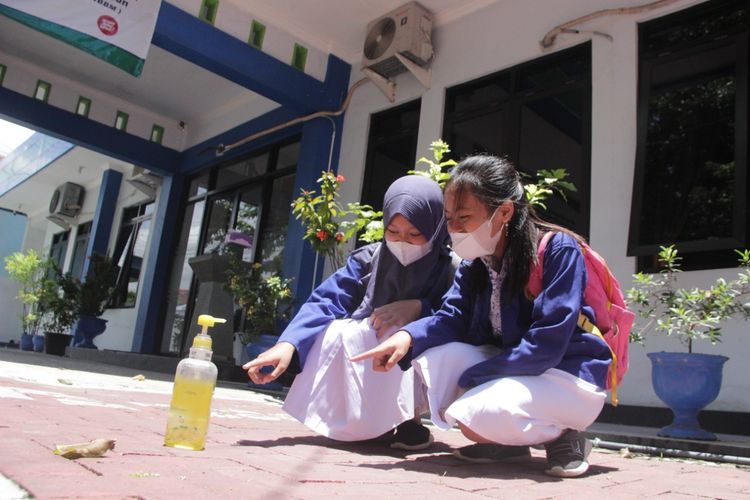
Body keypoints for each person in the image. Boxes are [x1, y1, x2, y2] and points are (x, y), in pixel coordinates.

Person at [351, 155, 612, 478]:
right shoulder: (476, 262)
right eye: (449, 218)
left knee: (470, 413)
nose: (453, 229)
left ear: (504, 212)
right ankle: (505, 440)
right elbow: (452, 317)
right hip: (513, 368)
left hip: (567, 375)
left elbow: (548, 342)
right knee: (436, 361)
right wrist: (406, 337)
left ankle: (566, 435)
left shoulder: (557, 249)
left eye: (464, 217)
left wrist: (475, 378)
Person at [244, 174, 458, 450]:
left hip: (424, 353)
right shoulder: (369, 260)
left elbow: (457, 312)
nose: (402, 242)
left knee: (399, 333)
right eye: (393, 232)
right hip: (371, 350)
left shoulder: (452, 267)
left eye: (415, 234)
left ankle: (408, 420)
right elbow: (326, 301)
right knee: (341, 329)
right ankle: (363, 420)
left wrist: (419, 308)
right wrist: (288, 344)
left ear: (436, 227)